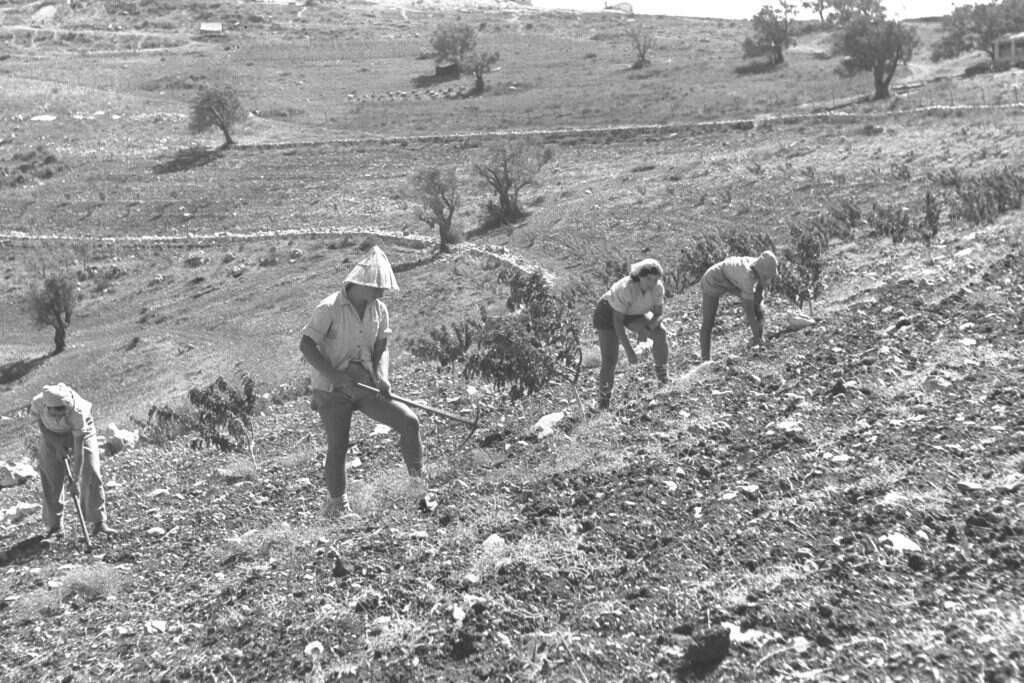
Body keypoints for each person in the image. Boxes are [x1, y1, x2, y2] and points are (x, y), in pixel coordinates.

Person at [299, 246, 424, 517]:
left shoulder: (379, 310)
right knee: (338, 446)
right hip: (332, 390)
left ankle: (418, 487)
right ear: (361, 282)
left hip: (366, 386)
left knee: (409, 422)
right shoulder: (329, 308)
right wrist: (334, 376)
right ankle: (337, 506)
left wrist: (382, 377)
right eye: (378, 286)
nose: (382, 292)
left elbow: (382, 347)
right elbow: (307, 345)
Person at [29, 383, 116, 539]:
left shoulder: (77, 411)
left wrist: (75, 479)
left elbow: (79, 447)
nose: (59, 416)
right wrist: (56, 444)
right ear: (47, 407)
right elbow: (40, 423)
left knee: (90, 471)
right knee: (51, 476)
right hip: (50, 435)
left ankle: (98, 522)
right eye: (54, 413)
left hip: (81, 433)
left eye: (62, 411)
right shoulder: (38, 402)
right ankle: (55, 526)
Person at [592, 258, 669, 410]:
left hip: (634, 311)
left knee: (660, 333)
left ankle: (663, 379)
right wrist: (630, 351)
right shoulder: (626, 288)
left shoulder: (657, 288)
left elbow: (659, 313)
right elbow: (618, 322)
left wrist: (646, 330)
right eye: (648, 279)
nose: (652, 283)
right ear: (639, 276)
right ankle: (603, 403)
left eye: (655, 279)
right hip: (608, 313)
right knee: (610, 359)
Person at [699, 250, 778, 362]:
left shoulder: (758, 265)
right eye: (766, 276)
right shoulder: (747, 277)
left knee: (757, 303)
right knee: (708, 322)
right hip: (713, 279)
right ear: (762, 272)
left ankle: (759, 338)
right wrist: (756, 336)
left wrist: (759, 330)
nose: (768, 280)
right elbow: (749, 312)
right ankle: (705, 360)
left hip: (731, 280)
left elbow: (759, 298)